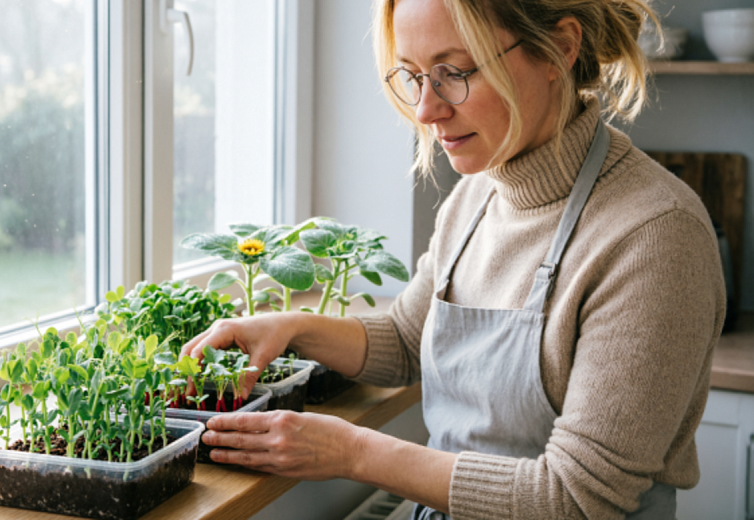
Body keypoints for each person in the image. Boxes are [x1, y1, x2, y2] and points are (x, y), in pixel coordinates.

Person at [181, 0, 726, 518]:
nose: (425, 110)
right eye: (413, 75)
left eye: (455, 72)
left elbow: (575, 499)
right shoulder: (476, 196)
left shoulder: (654, 235)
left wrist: (355, 454)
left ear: (560, 48)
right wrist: (290, 325)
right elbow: (409, 338)